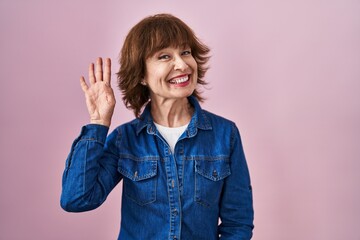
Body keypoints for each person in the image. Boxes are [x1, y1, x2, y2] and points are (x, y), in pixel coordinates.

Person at [60, 13, 254, 240]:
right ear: (142, 75)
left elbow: (238, 223)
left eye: (185, 52)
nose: (182, 64)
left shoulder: (225, 134)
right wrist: (98, 123)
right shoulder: (125, 139)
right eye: (164, 56)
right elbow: (76, 199)